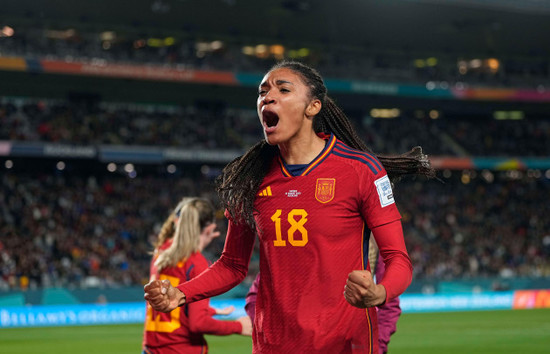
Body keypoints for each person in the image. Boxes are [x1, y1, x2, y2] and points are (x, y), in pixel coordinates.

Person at [144, 61, 434, 353]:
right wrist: (180, 295)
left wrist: (379, 293)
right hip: (273, 343)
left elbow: (398, 258)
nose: (267, 97)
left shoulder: (361, 170)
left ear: (313, 107)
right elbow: (232, 265)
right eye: (262, 92)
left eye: (283, 89)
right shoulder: (249, 179)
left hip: (346, 343)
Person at [244, 236, 402, 354]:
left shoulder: (373, 247)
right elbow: (256, 295)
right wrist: (271, 335)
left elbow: (389, 303)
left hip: (353, 345)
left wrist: (376, 346)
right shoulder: (303, 244)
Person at [142, 197, 252, 354]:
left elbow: (171, 303)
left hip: (151, 349)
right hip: (181, 349)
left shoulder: (160, 252)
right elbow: (198, 323)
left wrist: (209, 310)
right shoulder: (196, 262)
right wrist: (238, 326)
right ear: (209, 229)